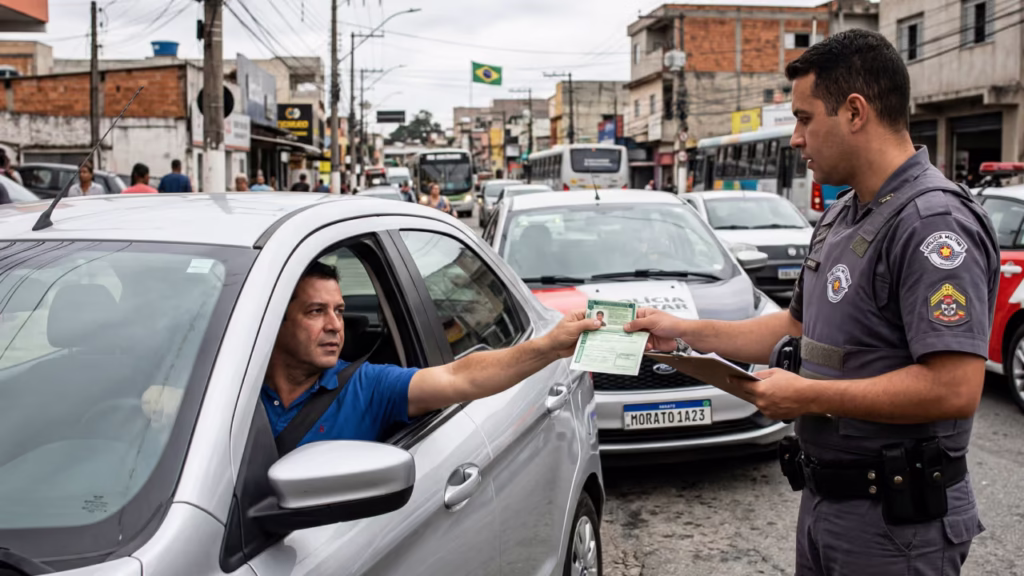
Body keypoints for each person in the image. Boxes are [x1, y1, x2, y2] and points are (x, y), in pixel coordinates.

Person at [625, 30, 997, 575]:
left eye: (804, 118)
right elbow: (794, 328)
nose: (796, 139)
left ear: (854, 112)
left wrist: (809, 393)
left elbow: (955, 387)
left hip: (896, 525)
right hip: (828, 505)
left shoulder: (931, 224)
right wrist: (682, 330)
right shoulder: (842, 215)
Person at [262, 261, 597, 448]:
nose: (336, 325)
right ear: (275, 321)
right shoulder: (230, 393)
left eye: (339, 310)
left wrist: (550, 346)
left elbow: (459, 376)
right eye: (316, 311)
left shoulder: (366, 388)